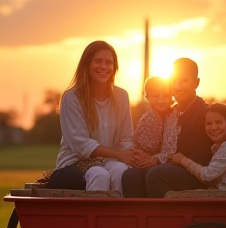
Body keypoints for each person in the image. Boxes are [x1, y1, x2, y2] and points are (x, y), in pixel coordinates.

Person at [45, 40, 135, 196]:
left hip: (110, 162)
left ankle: (117, 218)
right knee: (99, 174)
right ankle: (94, 219)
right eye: (98, 61)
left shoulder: (122, 96)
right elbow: (81, 144)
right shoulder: (72, 97)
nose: (104, 67)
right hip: (73, 165)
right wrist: (119, 155)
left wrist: (127, 156)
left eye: (109, 62)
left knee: (121, 170)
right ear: (86, 64)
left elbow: (126, 137)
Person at [123, 57, 213, 197]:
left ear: (196, 83)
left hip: (194, 172)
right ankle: (139, 218)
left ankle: (159, 218)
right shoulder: (170, 112)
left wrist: (162, 160)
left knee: (157, 174)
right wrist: (146, 158)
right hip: (166, 165)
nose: (177, 86)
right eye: (174, 81)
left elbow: (202, 156)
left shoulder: (205, 113)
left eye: (184, 81)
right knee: (131, 175)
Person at [171, 103, 226, 191]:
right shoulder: (218, 146)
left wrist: (182, 160)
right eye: (208, 123)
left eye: (219, 122)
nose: (213, 127)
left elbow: (207, 175)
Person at [122, 76, 179, 197]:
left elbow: (169, 146)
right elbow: (139, 141)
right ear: (147, 97)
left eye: (165, 96)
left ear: (171, 96)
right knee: (130, 175)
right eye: (156, 96)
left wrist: (155, 158)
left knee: (152, 175)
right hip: (142, 160)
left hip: (163, 161)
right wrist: (138, 155)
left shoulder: (173, 117)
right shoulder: (149, 117)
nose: (161, 100)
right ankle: (135, 213)